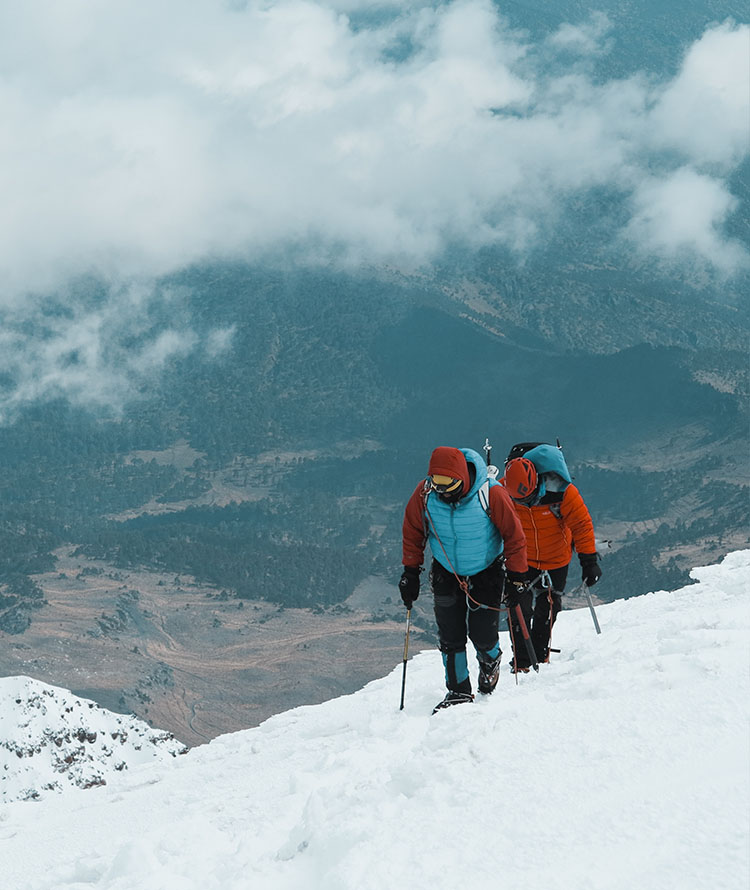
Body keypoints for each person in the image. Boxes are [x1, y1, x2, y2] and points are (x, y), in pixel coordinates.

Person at [399, 446, 528, 711]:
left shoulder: (491, 494)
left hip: (486, 571)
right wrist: (410, 572)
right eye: (438, 484)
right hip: (447, 571)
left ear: (463, 478)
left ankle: (490, 660)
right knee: (450, 633)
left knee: (482, 633)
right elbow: (413, 531)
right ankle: (458, 691)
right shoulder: (425, 494)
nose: (444, 491)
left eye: (450, 484)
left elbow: (514, 536)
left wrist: (517, 577)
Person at [501, 443, 601, 671]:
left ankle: (539, 655)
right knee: (519, 608)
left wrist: (589, 561)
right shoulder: (505, 489)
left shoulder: (563, 492)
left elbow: (581, 525)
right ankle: (523, 661)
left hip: (553, 560)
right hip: (522, 560)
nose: (524, 504)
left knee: (548, 607)